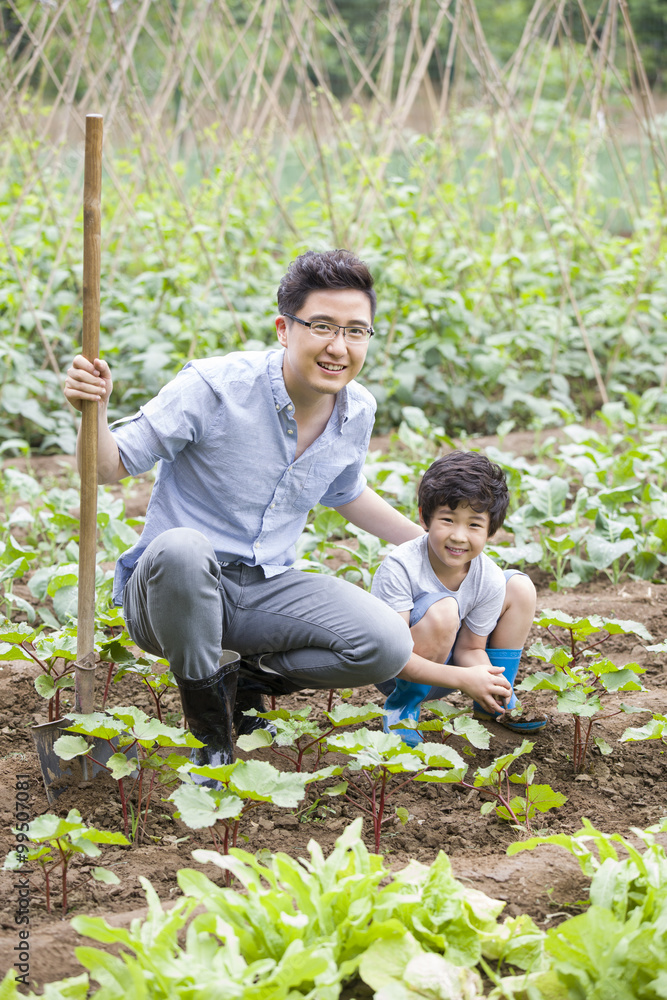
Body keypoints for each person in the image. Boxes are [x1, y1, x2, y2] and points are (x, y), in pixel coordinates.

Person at [64, 249, 430, 784]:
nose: (339, 346)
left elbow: (347, 493)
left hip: (262, 590)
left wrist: (431, 545)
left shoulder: (358, 409)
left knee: (386, 644)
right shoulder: (215, 387)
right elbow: (109, 465)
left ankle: (247, 679)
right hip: (170, 595)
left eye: (356, 331)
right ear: (285, 329)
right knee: (186, 548)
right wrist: (90, 409)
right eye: (323, 326)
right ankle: (211, 738)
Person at [371, 450, 547, 746]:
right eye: (448, 519)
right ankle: (402, 709)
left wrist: (483, 679)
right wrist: (463, 680)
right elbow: (393, 658)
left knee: (520, 587)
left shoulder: (486, 575)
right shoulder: (400, 566)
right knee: (444, 608)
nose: (459, 536)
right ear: (424, 517)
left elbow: (470, 648)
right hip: (399, 670)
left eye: (474, 524)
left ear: (492, 530)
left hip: (452, 667)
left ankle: (494, 703)